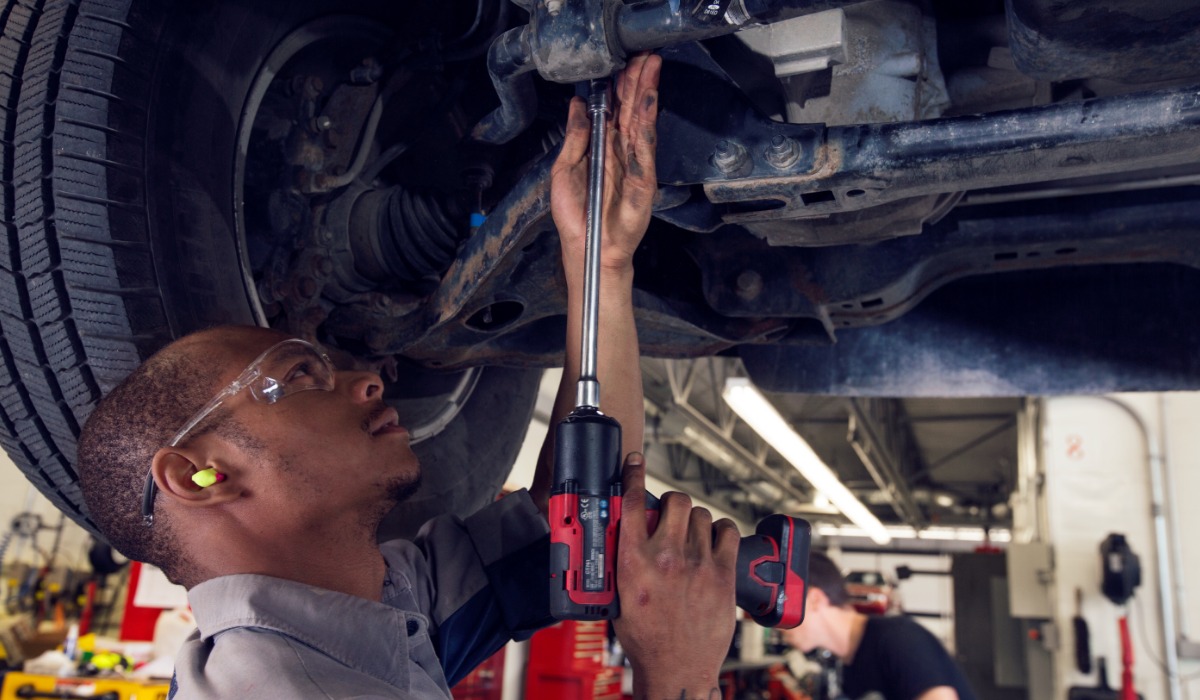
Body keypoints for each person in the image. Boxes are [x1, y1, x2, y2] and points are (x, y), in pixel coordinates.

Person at [76, 53, 739, 699]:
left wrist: (600, 261)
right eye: (301, 375)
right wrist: (679, 673)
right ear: (200, 475)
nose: (365, 380)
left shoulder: (370, 614)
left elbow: (568, 518)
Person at [783, 552, 977, 700]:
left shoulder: (897, 638)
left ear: (814, 599)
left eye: (783, 607)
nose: (777, 625)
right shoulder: (848, 666)